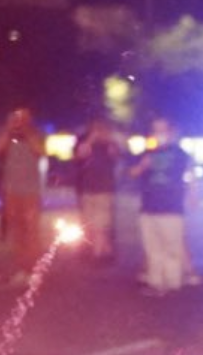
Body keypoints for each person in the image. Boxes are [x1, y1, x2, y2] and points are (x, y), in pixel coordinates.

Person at [128, 117, 194, 294]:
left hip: (171, 207)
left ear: (171, 132)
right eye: (155, 130)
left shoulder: (180, 153)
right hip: (148, 207)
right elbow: (131, 173)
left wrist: (193, 195)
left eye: (162, 130)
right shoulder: (146, 153)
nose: (159, 134)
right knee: (152, 249)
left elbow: (191, 175)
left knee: (172, 248)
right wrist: (142, 166)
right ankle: (155, 282)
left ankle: (172, 284)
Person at [0, 108, 47, 279]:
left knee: (32, 231)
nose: (19, 120)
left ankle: (34, 269)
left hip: (31, 190)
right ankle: (21, 268)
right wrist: (9, 129)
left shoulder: (36, 134)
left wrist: (26, 131)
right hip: (11, 189)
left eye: (23, 117)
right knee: (17, 230)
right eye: (16, 117)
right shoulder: (8, 135)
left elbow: (40, 151)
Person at [72, 119, 123, 267]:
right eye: (94, 128)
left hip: (105, 189)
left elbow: (117, 157)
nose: (98, 131)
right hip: (87, 189)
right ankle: (102, 251)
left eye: (101, 128)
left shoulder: (110, 144)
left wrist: (108, 141)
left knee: (102, 224)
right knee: (89, 223)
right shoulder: (84, 142)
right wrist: (91, 139)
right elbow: (79, 156)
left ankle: (98, 254)